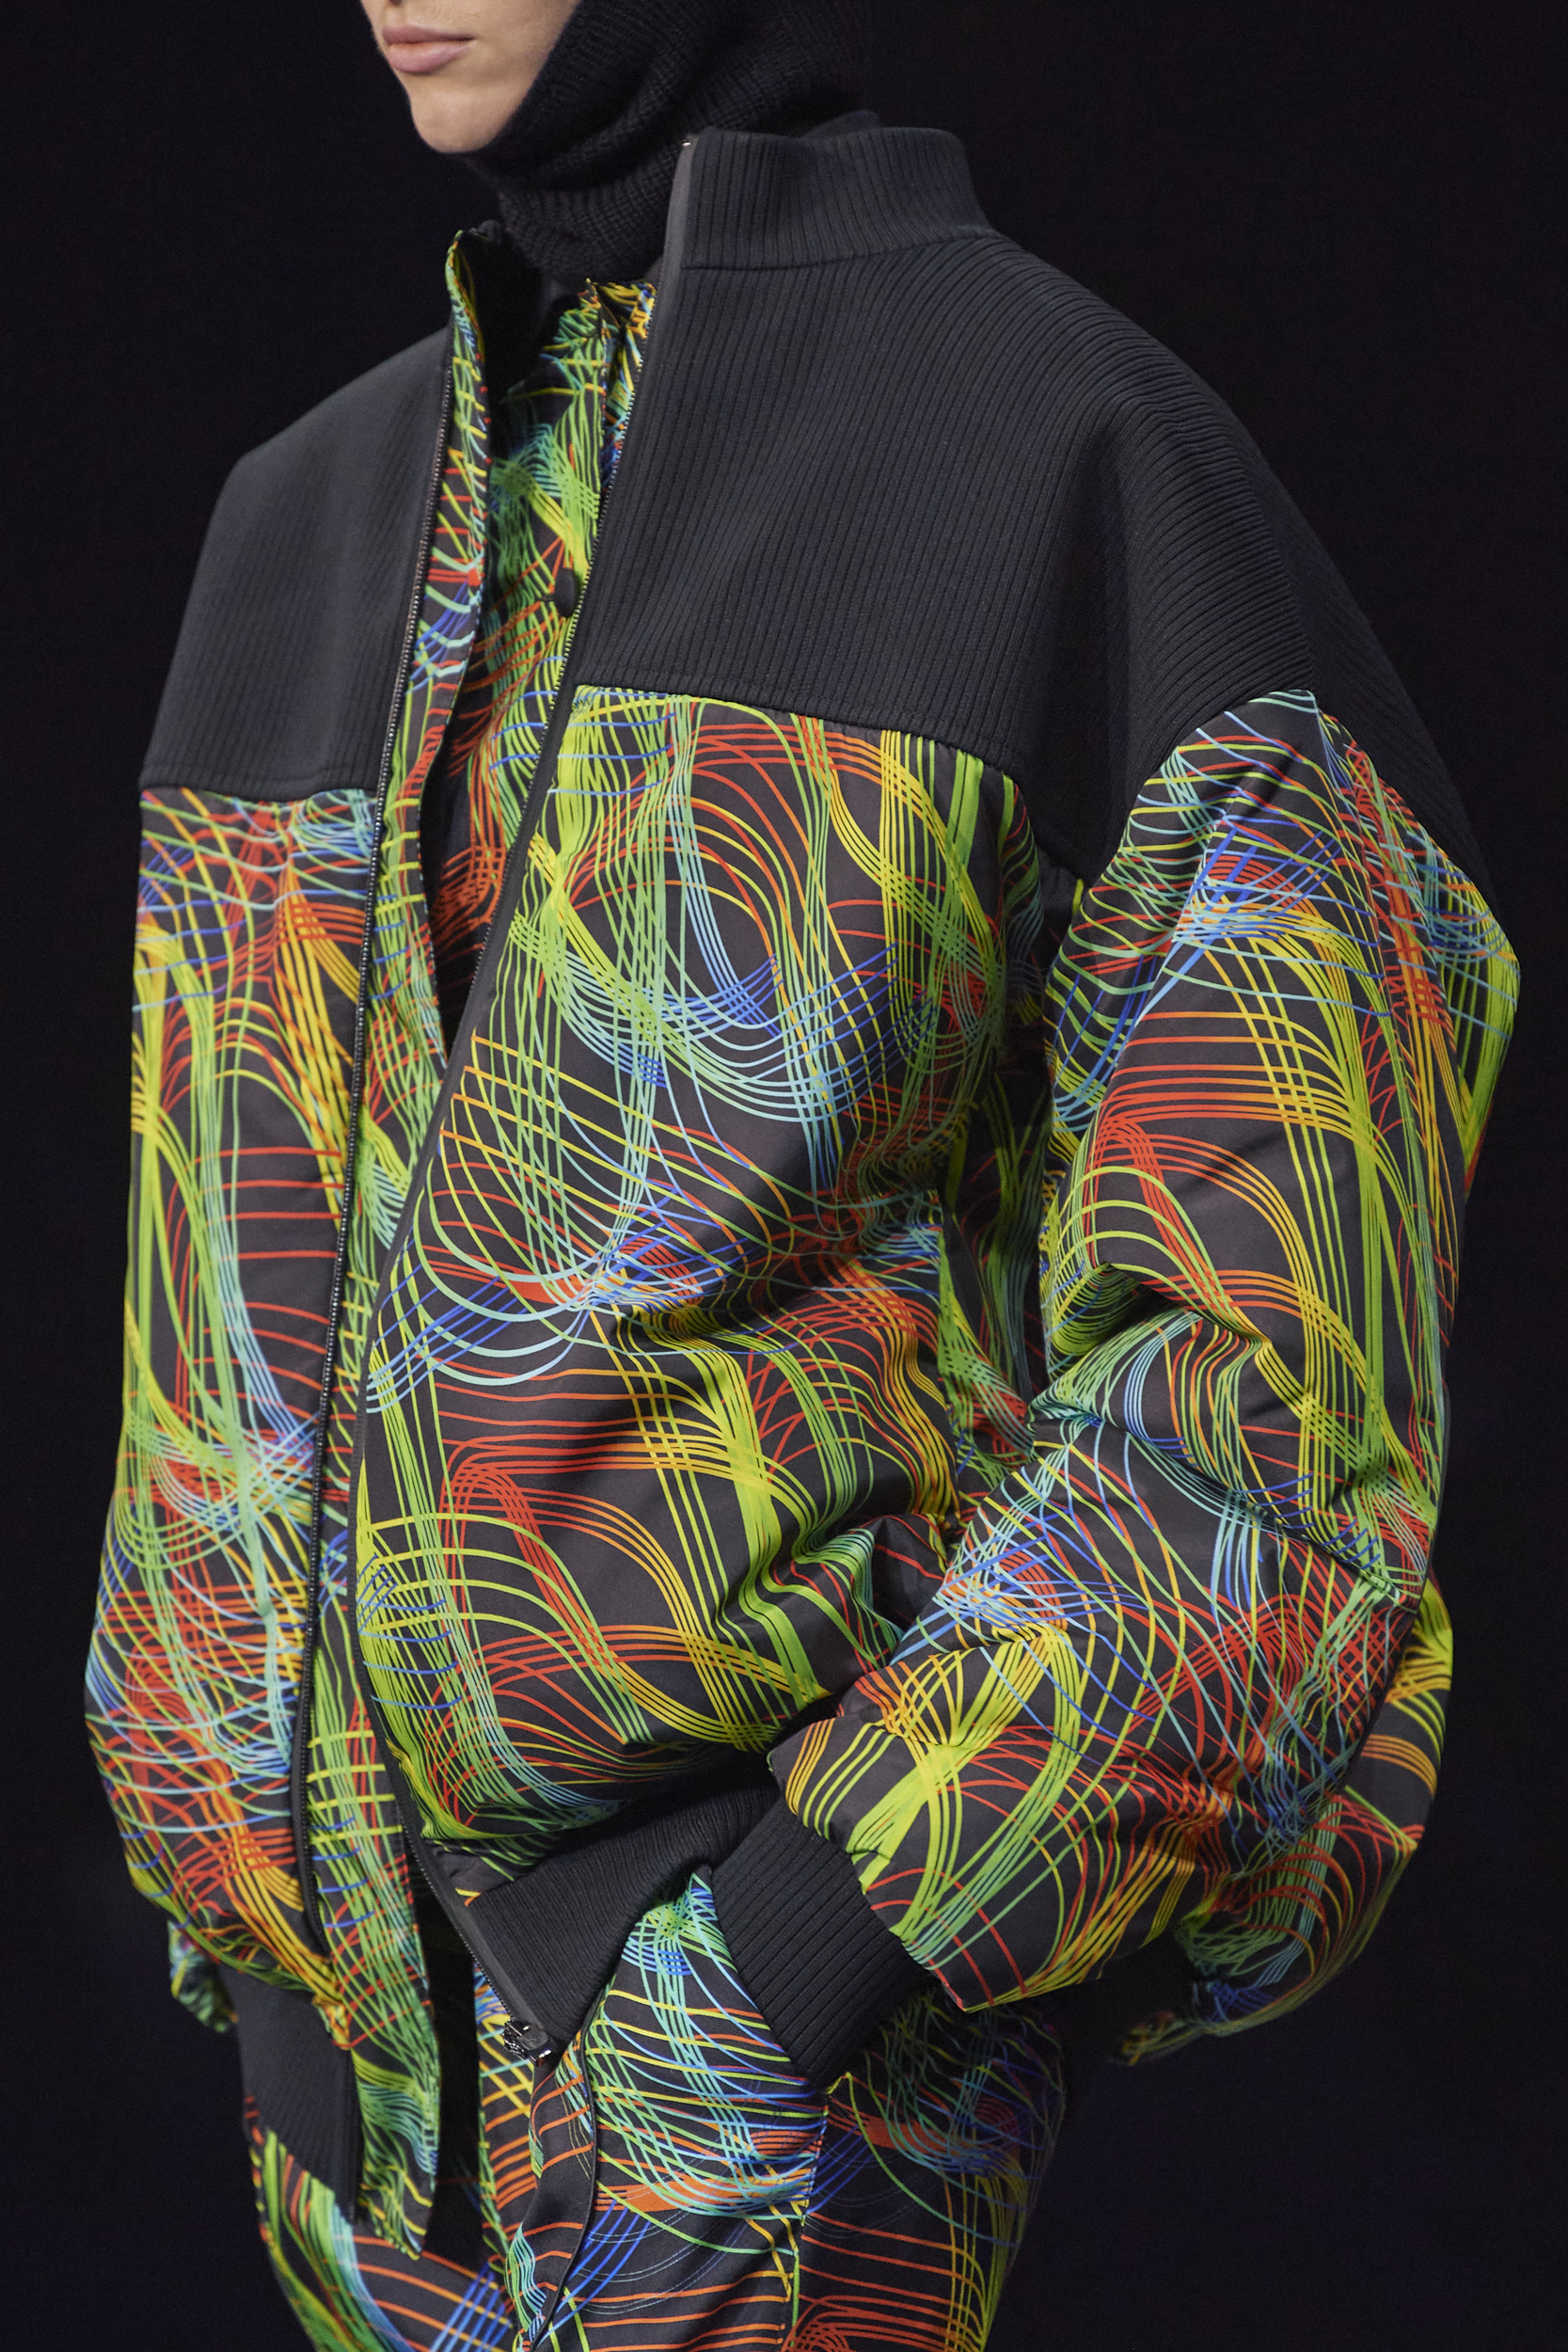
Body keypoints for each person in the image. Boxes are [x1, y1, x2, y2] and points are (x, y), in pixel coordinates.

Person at [86, 4, 1518, 2346]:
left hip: (775, 2130)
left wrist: (801, 1959)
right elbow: (206, 1321)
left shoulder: (1056, 450)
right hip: (345, 2140)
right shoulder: (305, 516)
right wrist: (250, 1943)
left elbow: (1277, 1391)